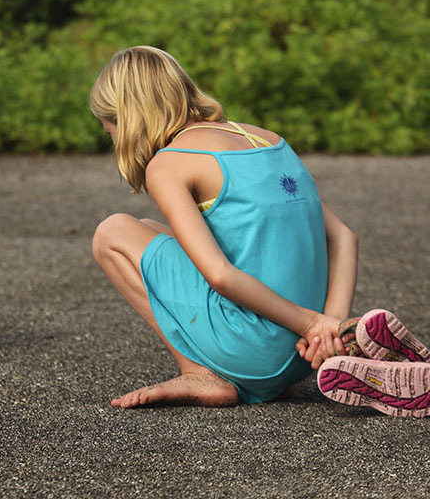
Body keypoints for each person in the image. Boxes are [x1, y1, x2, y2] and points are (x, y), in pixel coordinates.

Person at [89, 45, 359, 408]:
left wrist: (312, 326)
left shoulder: (170, 164)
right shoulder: (266, 138)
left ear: (128, 118)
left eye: (110, 131)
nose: (115, 142)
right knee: (151, 228)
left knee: (114, 232)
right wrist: (329, 326)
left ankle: (201, 374)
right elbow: (343, 235)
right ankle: (296, 359)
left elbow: (218, 274)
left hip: (261, 349)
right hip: (302, 357)